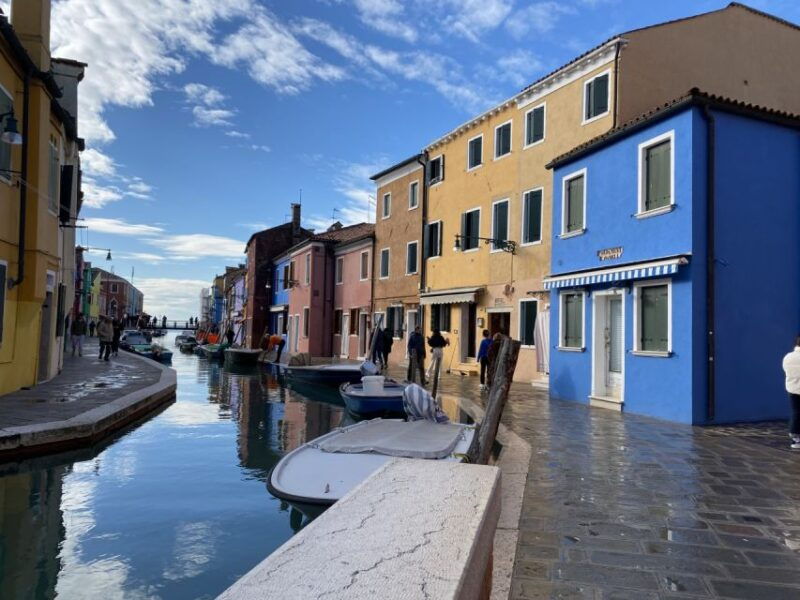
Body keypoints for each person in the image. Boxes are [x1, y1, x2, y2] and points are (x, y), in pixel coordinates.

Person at [782, 336, 800, 450]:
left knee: (796, 413)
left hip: (792, 389)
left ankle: (795, 438)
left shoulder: (788, 357)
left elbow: (786, 370)